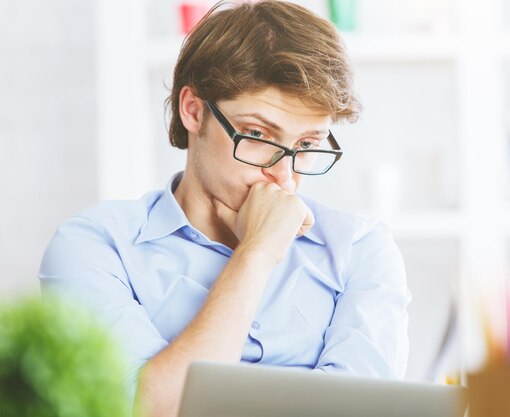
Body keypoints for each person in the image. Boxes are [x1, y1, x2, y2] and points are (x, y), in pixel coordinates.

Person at [39, 1, 411, 416]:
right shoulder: (96, 245)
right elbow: (150, 410)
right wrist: (256, 255)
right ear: (193, 110)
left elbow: (364, 412)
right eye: (257, 134)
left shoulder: (360, 248)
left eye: (306, 145)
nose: (285, 176)